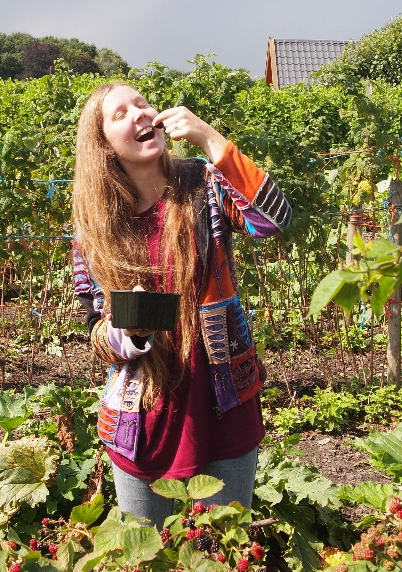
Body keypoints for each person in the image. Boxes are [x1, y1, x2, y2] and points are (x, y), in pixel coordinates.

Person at [71, 82, 291, 528]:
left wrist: (212, 140)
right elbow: (95, 329)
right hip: (142, 416)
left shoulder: (203, 185)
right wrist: (130, 334)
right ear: (105, 147)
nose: (138, 114)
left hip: (222, 400)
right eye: (120, 114)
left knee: (226, 550)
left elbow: (273, 220)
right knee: (143, 552)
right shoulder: (94, 227)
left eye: (141, 104)